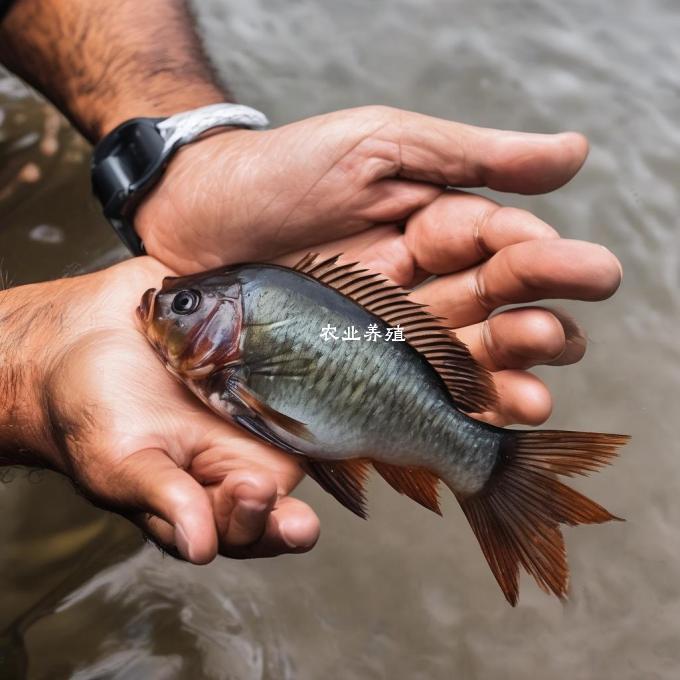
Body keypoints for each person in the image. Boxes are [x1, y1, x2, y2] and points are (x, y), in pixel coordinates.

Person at [0, 0, 623, 564]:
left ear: (226, 325)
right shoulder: (236, 343)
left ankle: (486, 463)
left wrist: (181, 153)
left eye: (185, 304)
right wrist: (28, 364)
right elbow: (292, 414)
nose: (165, 306)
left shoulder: (234, 347)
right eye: (181, 303)